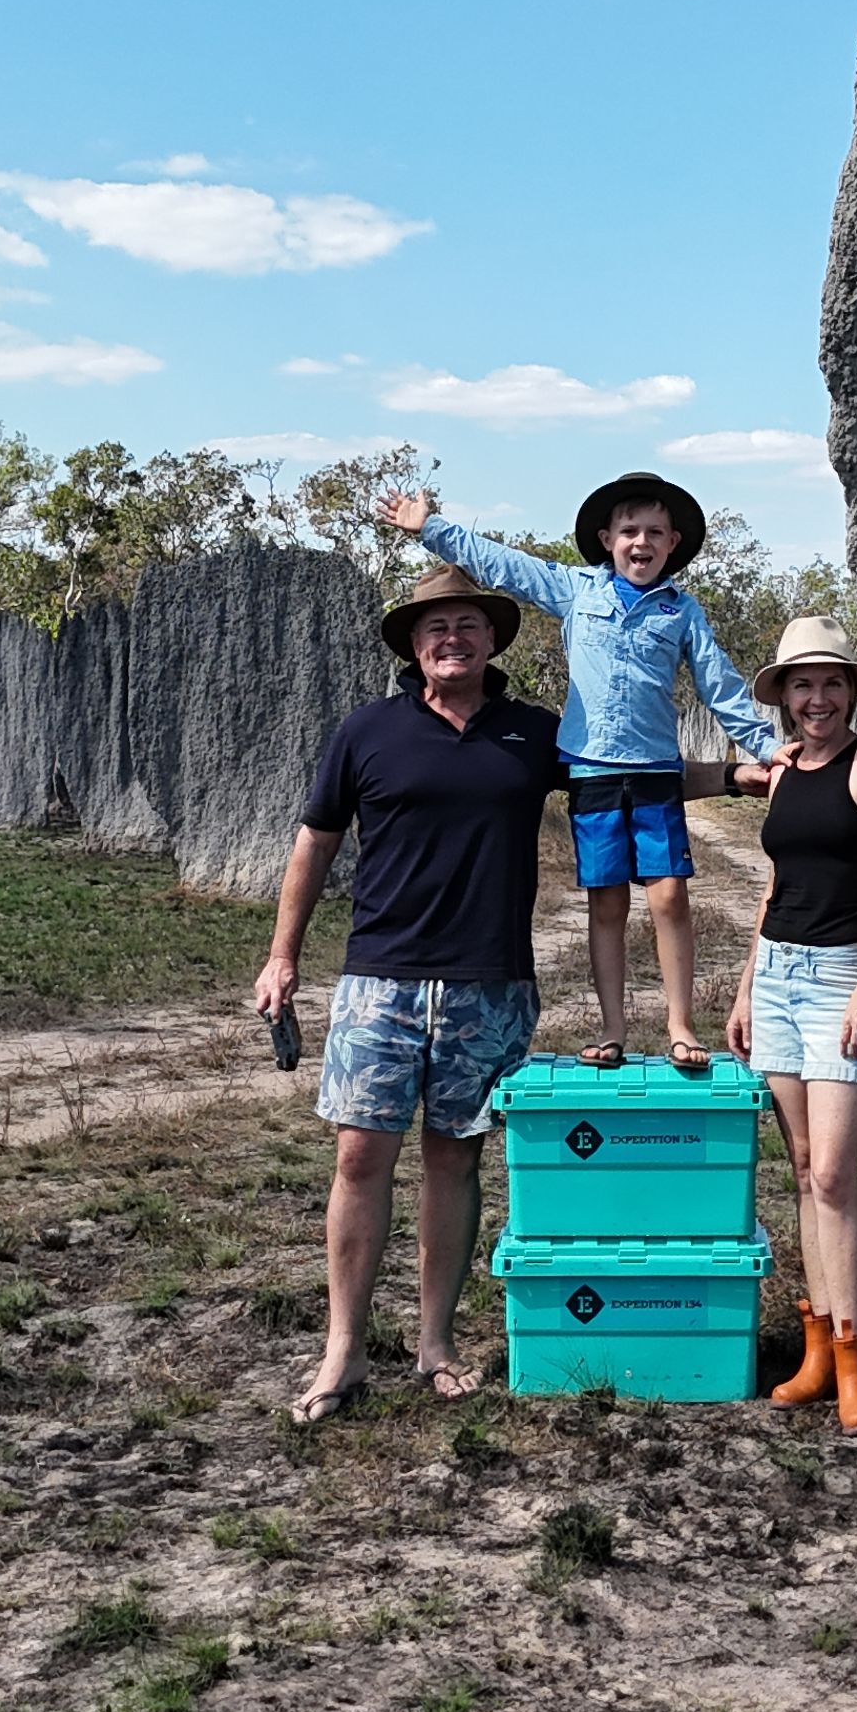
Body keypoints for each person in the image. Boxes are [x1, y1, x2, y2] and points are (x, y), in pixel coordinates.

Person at [251, 564, 565, 1423]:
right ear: (413, 646)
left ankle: (435, 1341)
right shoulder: (366, 732)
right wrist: (283, 956)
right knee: (360, 1157)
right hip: (377, 982)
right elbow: (314, 843)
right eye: (434, 628)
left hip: (490, 982)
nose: (451, 639)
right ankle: (343, 1351)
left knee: (454, 1156)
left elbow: (632, 774)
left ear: (493, 638)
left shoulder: (535, 734)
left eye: (466, 624)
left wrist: (735, 776)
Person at [382, 474, 781, 1070]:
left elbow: (719, 684)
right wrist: (431, 530)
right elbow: (505, 566)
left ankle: (679, 1023)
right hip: (591, 772)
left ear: (673, 543)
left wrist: (767, 749)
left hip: (654, 772)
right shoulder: (575, 590)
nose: (640, 542)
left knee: (669, 896)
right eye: (628, 531)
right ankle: (613, 1027)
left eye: (653, 533)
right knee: (606, 904)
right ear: (606, 539)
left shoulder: (682, 611)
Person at [727, 616, 857, 1439]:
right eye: (802, 685)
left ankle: (854, 1357)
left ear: (850, 690)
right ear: (784, 697)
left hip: (845, 978)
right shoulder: (785, 770)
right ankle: (815, 1347)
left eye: (831, 682)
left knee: (836, 1173)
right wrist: (743, 990)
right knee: (802, 1169)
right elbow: (774, 886)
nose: (817, 698)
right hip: (777, 977)